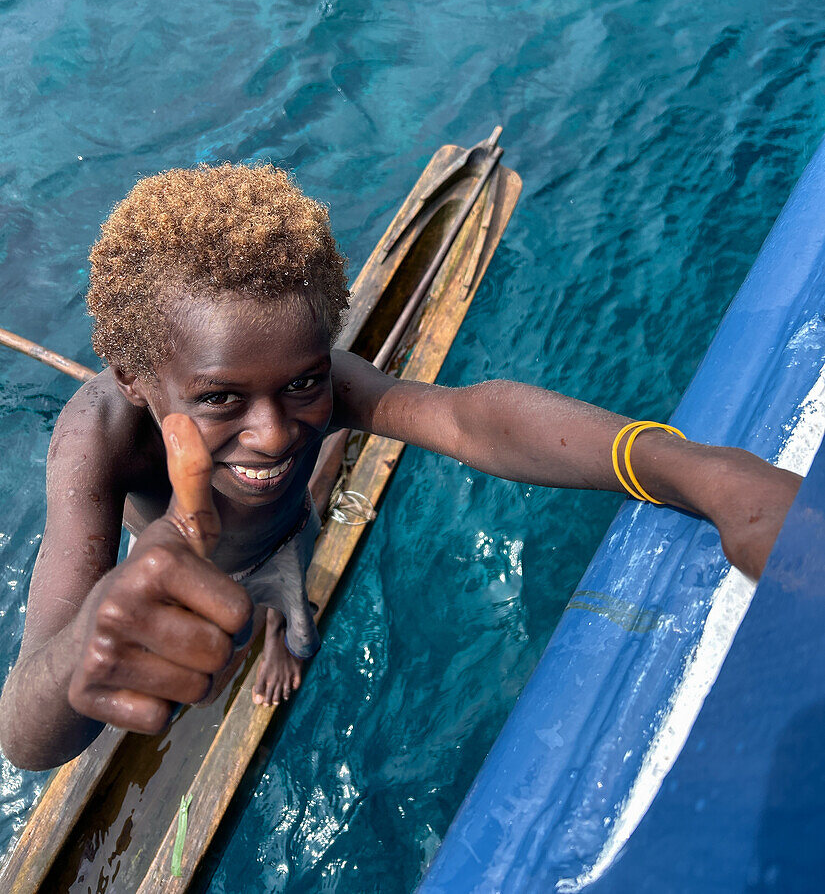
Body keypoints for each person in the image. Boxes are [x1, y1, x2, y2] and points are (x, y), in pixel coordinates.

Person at [0, 164, 802, 772]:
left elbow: (464, 418)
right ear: (135, 382)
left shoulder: (303, 378)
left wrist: (695, 468)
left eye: (305, 380)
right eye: (219, 398)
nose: (275, 433)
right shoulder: (97, 439)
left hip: (283, 538)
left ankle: (284, 610)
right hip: (187, 557)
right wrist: (83, 648)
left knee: (292, 597)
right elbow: (22, 737)